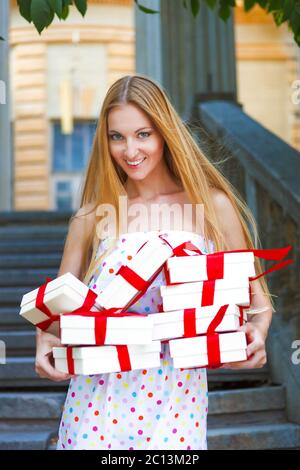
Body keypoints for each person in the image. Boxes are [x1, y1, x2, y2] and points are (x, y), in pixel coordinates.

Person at [35, 74, 273, 450]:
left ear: (165, 134)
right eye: (117, 137)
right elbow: (58, 310)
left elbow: (258, 302)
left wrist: (256, 335)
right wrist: (45, 341)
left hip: (176, 402)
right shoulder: (91, 217)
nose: (130, 150)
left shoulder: (212, 207)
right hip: (97, 403)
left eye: (143, 134)